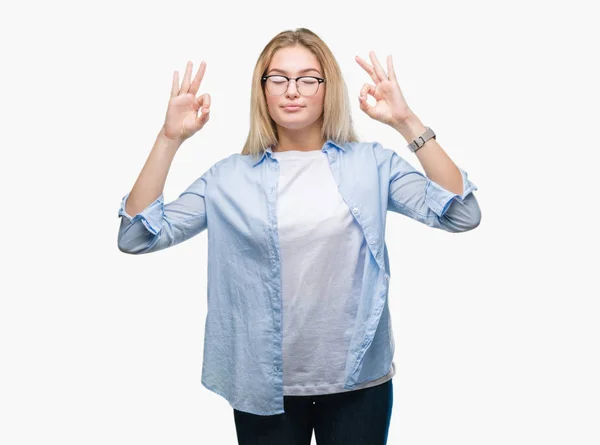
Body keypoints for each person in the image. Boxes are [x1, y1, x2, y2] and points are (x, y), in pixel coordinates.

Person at [117, 28, 481, 445]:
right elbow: (137, 237)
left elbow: (461, 213)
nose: (293, 91)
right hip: (262, 385)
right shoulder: (227, 178)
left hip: (358, 383)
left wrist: (406, 122)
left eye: (309, 78)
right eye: (279, 79)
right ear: (263, 91)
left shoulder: (373, 165)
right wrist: (169, 140)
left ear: (329, 89)